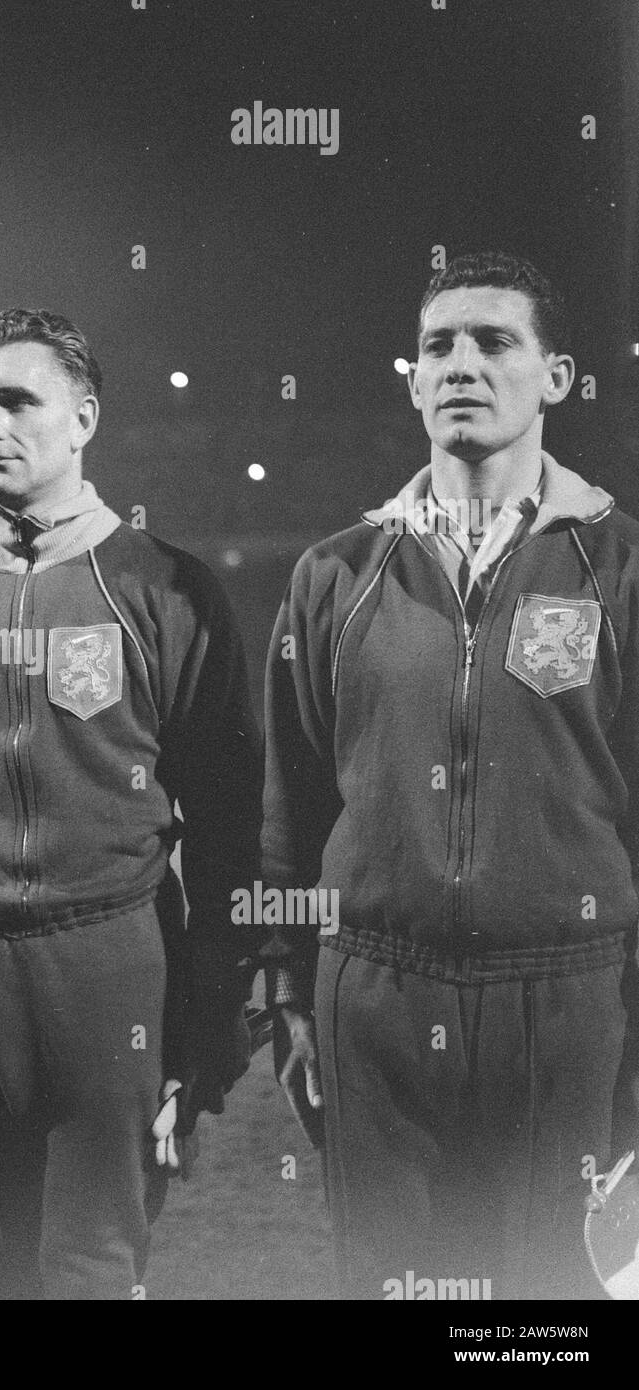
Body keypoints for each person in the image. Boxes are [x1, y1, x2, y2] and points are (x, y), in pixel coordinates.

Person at [0, 307, 262, 1299]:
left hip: (108, 965)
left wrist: (209, 1019)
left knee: (88, 1267)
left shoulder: (170, 593)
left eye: (15, 399)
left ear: (82, 418)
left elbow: (228, 827)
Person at [263, 251, 639, 1299]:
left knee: (547, 1305)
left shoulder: (621, 569)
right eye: (439, 346)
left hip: (565, 1000)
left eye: (494, 341)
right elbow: (292, 803)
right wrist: (290, 994)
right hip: (373, 992)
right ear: (414, 378)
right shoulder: (334, 572)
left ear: (555, 378)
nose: (461, 364)